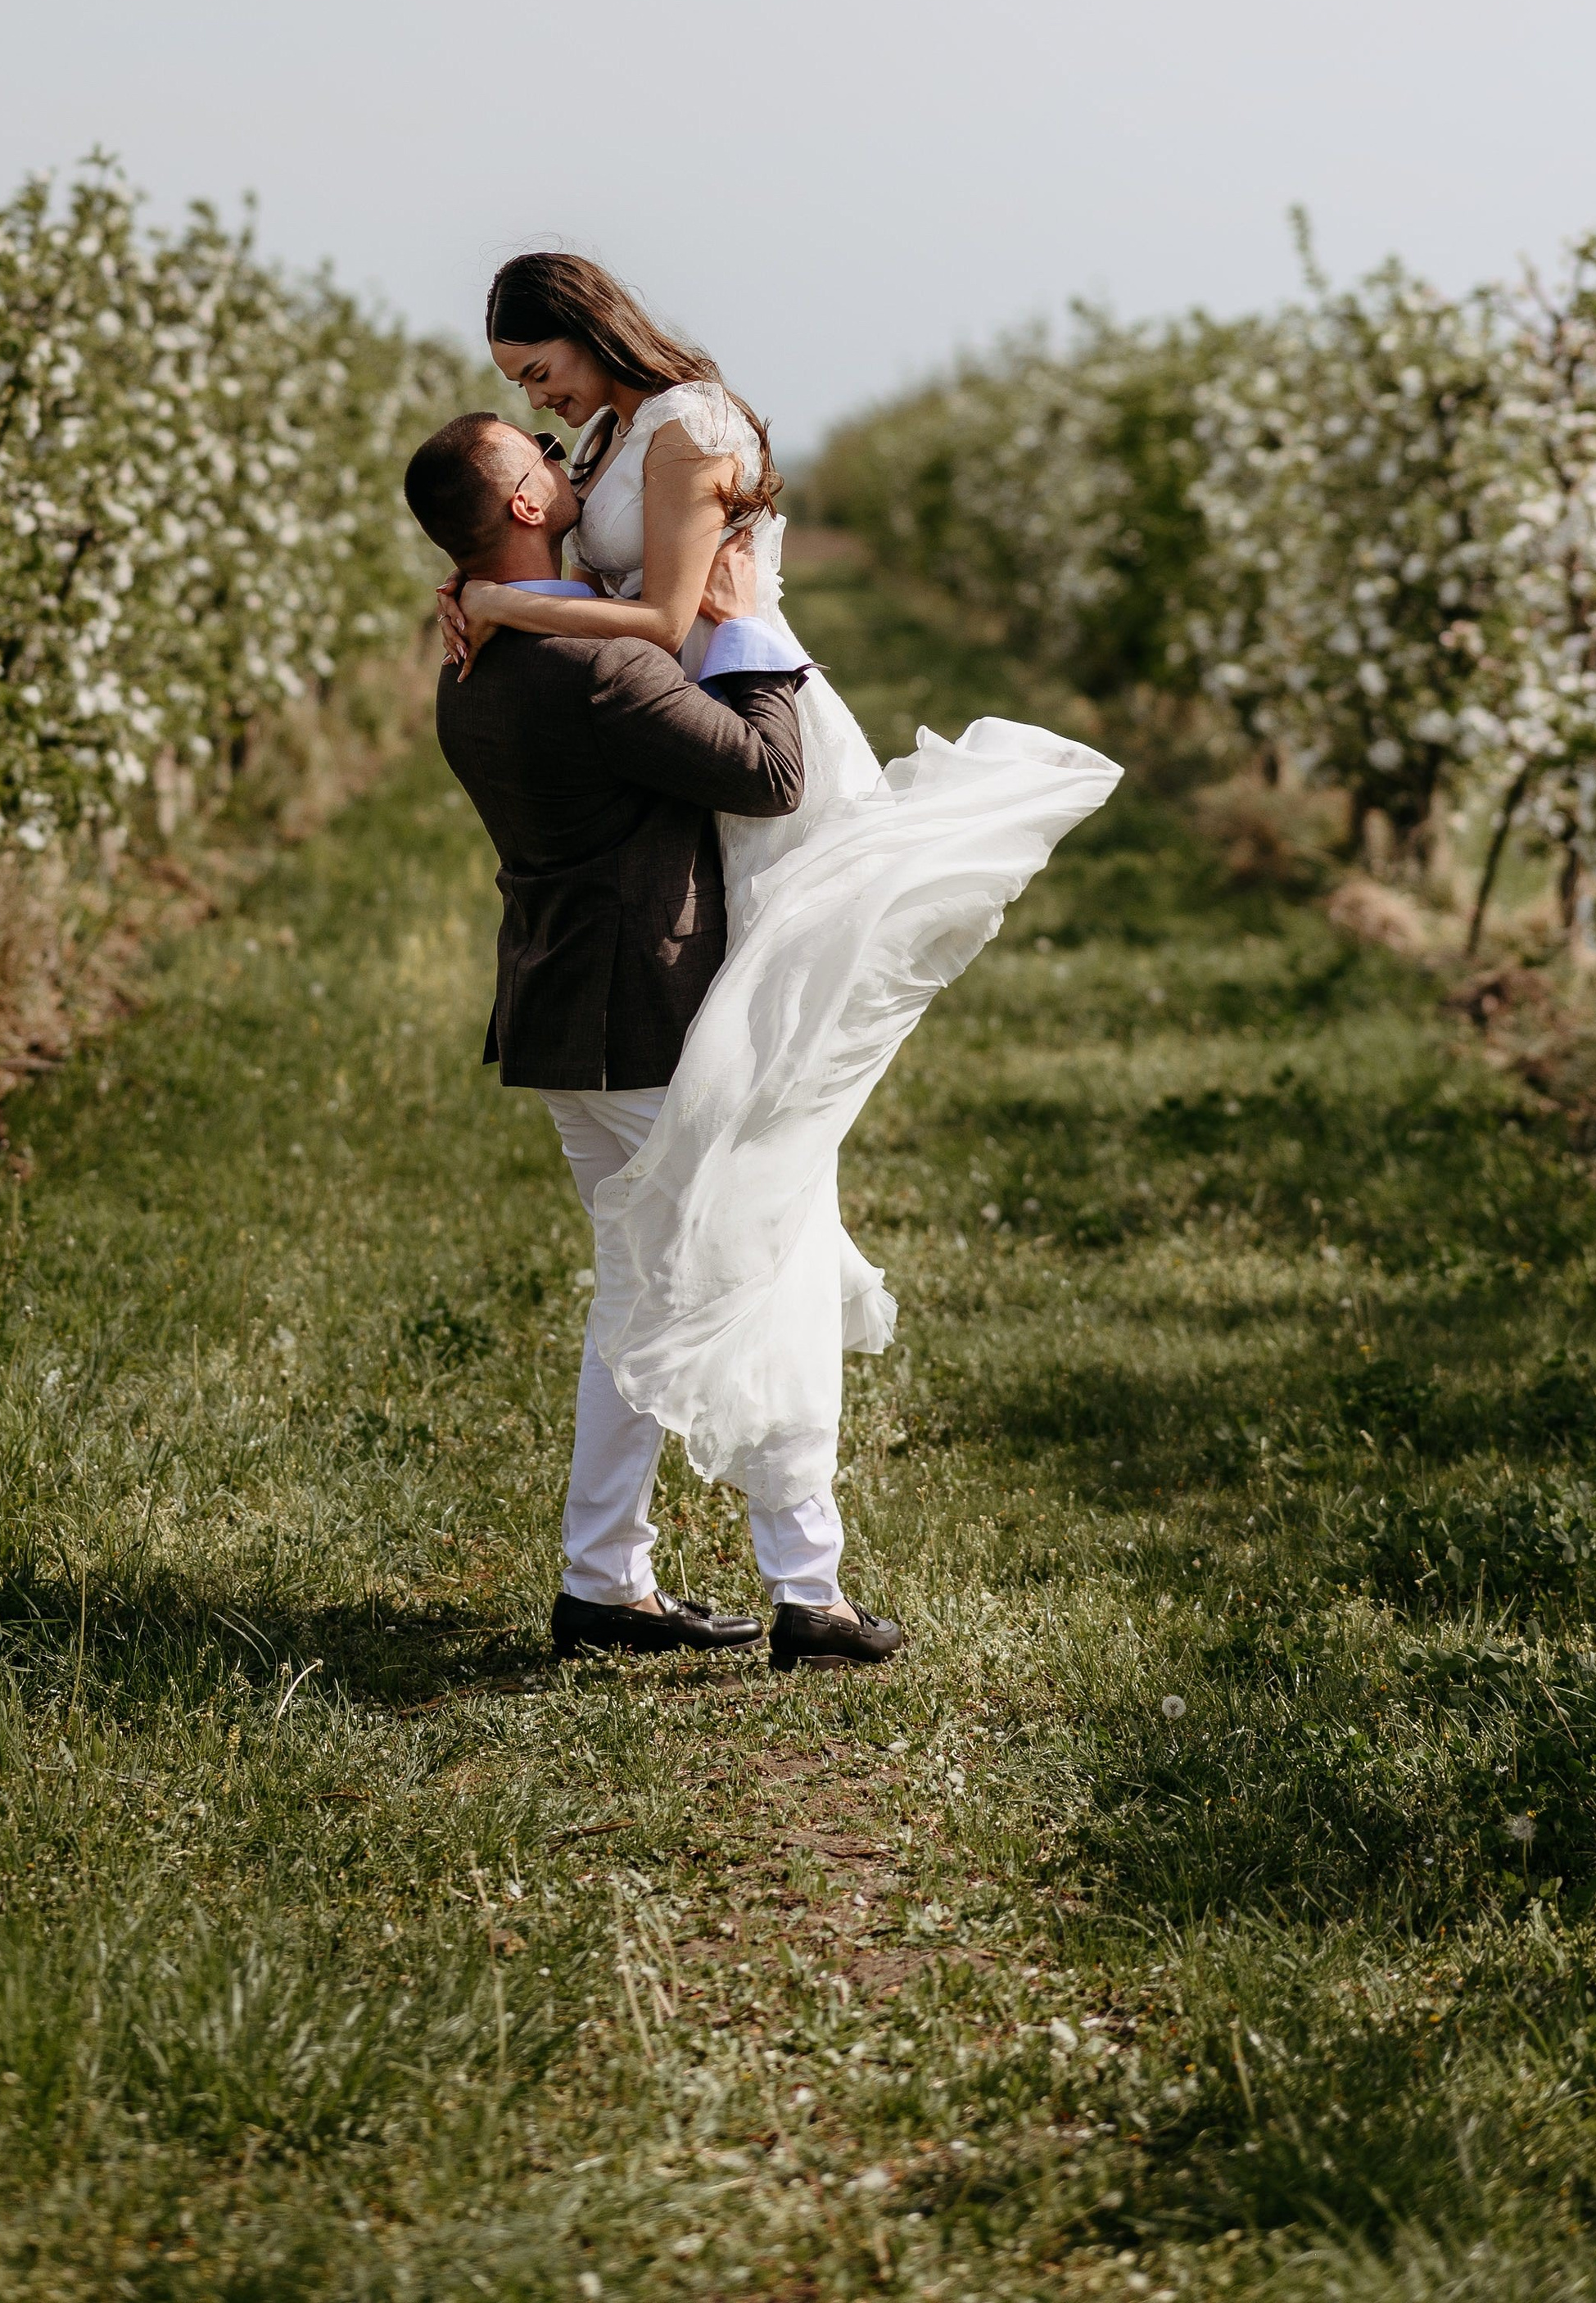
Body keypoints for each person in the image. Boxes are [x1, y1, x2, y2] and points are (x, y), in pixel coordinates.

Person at [436, 256, 1120, 1555]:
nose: (543, 399)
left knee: (755, 1155)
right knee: (735, 1199)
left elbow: (670, 614)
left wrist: (501, 598)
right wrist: (502, 588)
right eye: (522, 392)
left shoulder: (689, 427)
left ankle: (710, 1561)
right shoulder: (608, 435)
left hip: (747, 724)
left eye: (542, 369)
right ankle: (773, 1571)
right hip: (676, 742)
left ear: (587, 330)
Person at [404, 405, 893, 1669]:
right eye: (533, 452)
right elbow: (769, 773)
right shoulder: (598, 666)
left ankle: (602, 1581)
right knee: (759, 1277)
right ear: (520, 504)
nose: (558, 458)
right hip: (648, 1020)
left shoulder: (471, 657)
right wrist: (746, 619)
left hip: (562, 1017)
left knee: (636, 1299)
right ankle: (810, 1594)